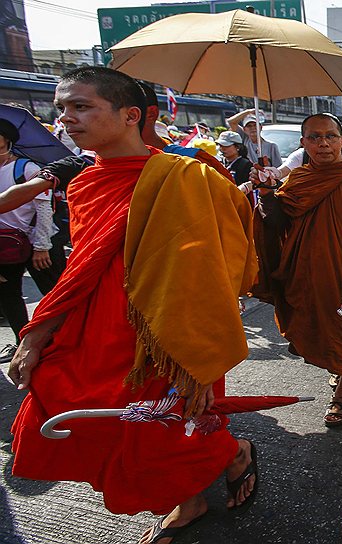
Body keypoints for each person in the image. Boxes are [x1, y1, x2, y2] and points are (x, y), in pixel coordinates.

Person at [7, 66, 259, 544]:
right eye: (62, 108)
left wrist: (197, 359)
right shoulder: (81, 183)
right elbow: (82, 265)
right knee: (68, 401)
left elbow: (210, 271)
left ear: (130, 115)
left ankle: (205, 482)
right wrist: (40, 333)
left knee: (159, 422)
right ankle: (221, 463)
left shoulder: (182, 177)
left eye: (82, 106)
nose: (67, 119)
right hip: (94, 325)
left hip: (162, 330)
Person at [253, 112, 342, 427]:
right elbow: (276, 222)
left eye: (330, 136)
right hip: (307, 273)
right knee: (321, 328)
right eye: (314, 137)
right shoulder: (298, 180)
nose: (323, 143)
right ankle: (340, 372)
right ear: (303, 144)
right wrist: (267, 192)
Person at [0, 119, 56, 362]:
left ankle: (61, 341)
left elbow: (44, 209)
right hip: (4, 248)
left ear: (6, 140)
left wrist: (42, 246)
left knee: (53, 293)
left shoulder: (27, 169)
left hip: (36, 245)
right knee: (9, 296)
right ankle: (20, 342)